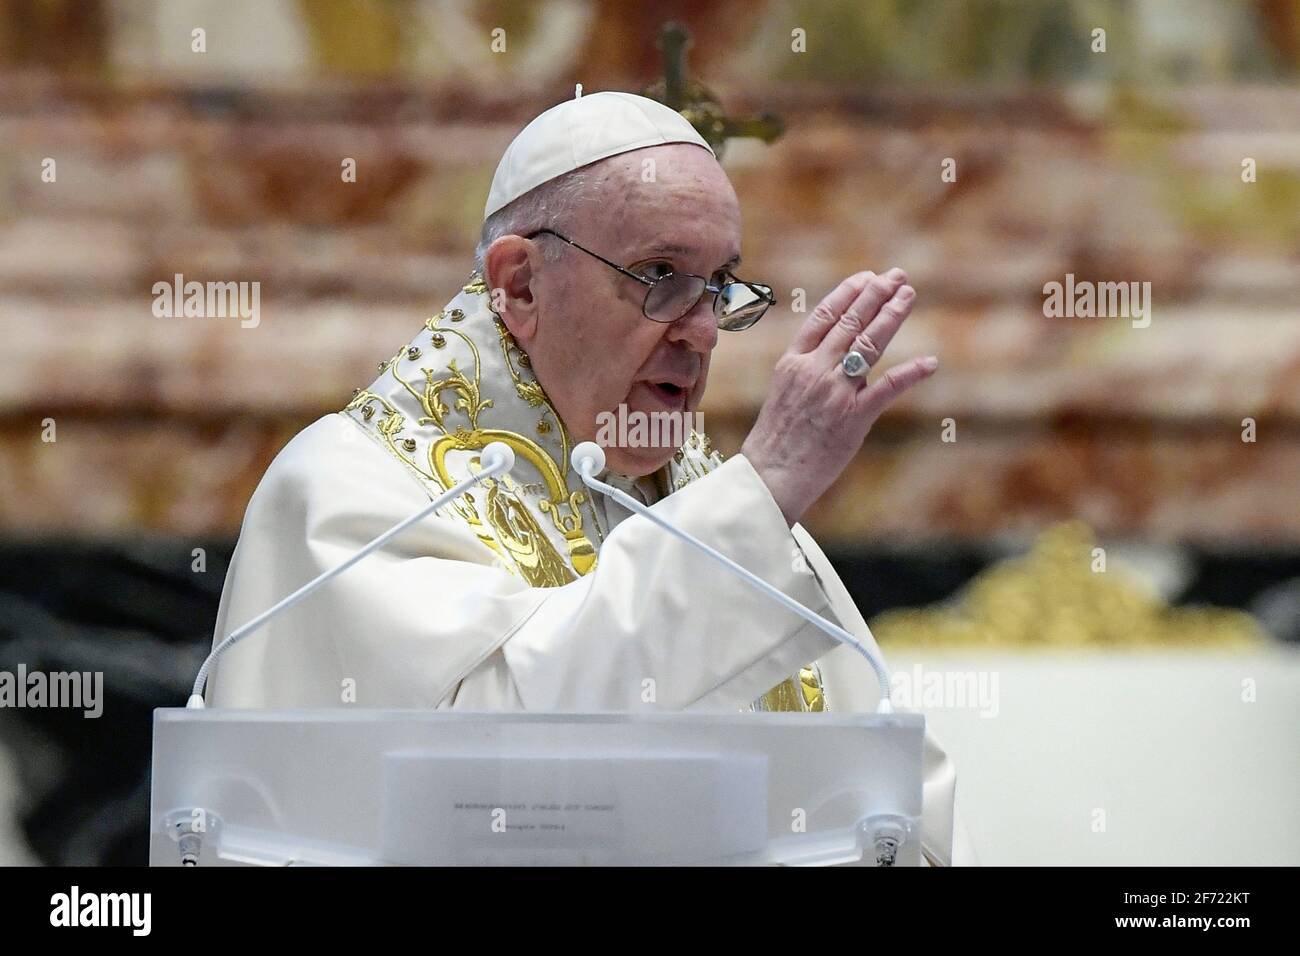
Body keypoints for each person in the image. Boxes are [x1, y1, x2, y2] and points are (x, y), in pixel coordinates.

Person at [207, 90, 974, 865]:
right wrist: (767, 481)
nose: (703, 330)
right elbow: (497, 780)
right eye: (661, 274)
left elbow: (898, 802)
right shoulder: (352, 484)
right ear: (521, 285)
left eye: (719, 286)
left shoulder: (732, 516)